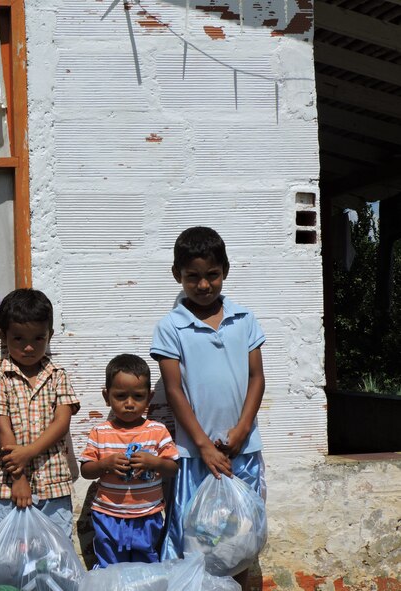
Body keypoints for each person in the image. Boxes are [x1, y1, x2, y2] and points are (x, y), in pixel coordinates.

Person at [150, 226, 266, 590]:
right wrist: (202, 444)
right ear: (177, 276)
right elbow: (174, 391)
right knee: (198, 544)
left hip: (242, 453)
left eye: (211, 275)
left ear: (225, 271)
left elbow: (256, 379)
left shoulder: (244, 319)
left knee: (241, 541)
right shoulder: (170, 328)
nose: (203, 285)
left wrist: (242, 429)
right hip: (195, 457)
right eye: (193, 277)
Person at [0, 288, 80, 540]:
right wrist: (19, 478)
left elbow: (62, 422)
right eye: (19, 339)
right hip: (8, 487)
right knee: (6, 559)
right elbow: (2, 431)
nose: (29, 347)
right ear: (3, 336)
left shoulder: (58, 375)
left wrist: (29, 452)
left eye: (39, 338)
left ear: (50, 335)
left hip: (53, 485)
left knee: (55, 557)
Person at [80, 353, 179, 568]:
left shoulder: (157, 431)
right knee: (111, 565)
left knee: (146, 563)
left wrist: (154, 462)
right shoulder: (100, 432)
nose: (129, 404)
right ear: (107, 397)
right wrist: (105, 465)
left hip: (147, 515)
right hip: (108, 516)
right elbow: (86, 470)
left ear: (150, 398)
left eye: (138, 396)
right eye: (121, 396)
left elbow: (172, 467)